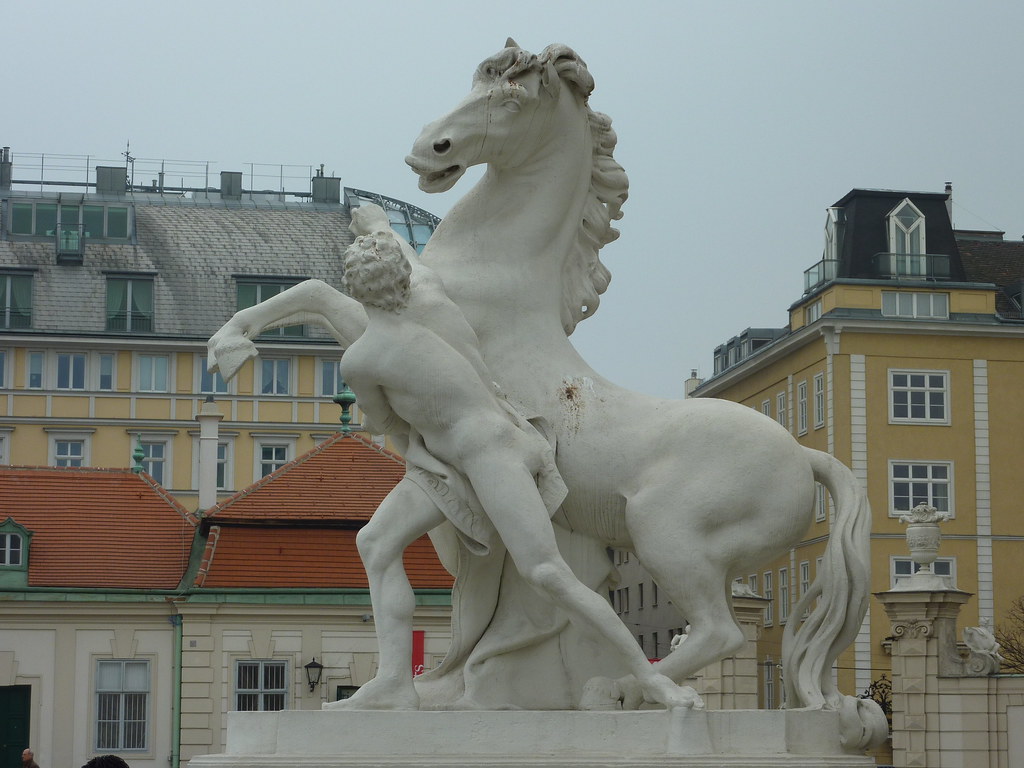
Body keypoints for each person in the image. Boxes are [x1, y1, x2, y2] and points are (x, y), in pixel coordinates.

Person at [331, 228, 696, 711]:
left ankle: (652, 680)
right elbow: (418, 269)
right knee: (376, 541)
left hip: (487, 457)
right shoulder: (435, 310)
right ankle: (395, 681)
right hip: (462, 457)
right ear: (401, 279)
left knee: (546, 571)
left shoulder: (361, 358)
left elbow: (384, 422)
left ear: (353, 289)